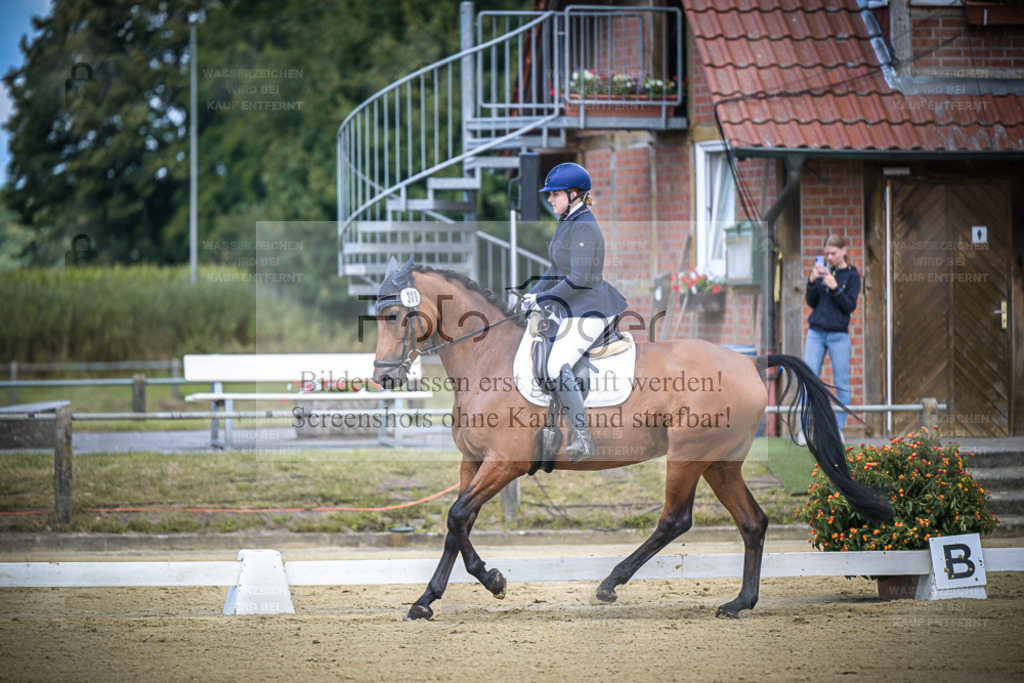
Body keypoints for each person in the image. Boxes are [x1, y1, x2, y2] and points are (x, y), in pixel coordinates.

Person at [521, 162, 628, 462]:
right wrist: (531, 293)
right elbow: (556, 269)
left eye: (554, 195)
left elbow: (579, 278)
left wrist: (542, 299)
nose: (550, 200)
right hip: (573, 307)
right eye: (549, 195)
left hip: (591, 309)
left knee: (556, 366)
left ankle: (582, 437)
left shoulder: (583, 225)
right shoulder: (567, 220)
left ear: (573, 194)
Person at [797, 235, 860, 445]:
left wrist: (834, 287)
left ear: (843, 251)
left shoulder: (852, 276)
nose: (829, 257)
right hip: (815, 333)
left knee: (841, 383)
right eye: (826, 254)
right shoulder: (822, 271)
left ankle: (838, 430)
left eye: (833, 253)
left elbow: (849, 306)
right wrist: (812, 281)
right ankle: (804, 430)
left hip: (838, 335)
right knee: (808, 380)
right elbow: (811, 301)